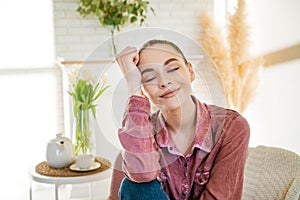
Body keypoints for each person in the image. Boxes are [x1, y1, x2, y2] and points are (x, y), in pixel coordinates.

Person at [108, 39, 250, 200]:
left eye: (173, 69)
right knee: (135, 182)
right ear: (144, 88)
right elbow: (140, 176)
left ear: (190, 71)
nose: (164, 82)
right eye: (149, 78)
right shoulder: (136, 145)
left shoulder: (231, 127)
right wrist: (132, 85)